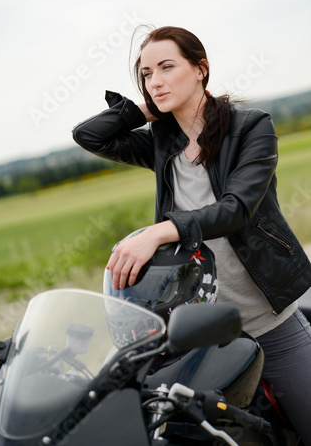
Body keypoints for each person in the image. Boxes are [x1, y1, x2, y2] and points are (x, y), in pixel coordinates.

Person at [73, 26, 311, 442]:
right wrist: (143, 111)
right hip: (204, 336)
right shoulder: (162, 142)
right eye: (147, 74)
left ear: (201, 69)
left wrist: (158, 232)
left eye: (167, 67)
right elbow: (88, 135)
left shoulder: (251, 128)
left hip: (270, 320)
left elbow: (235, 209)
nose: (156, 81)